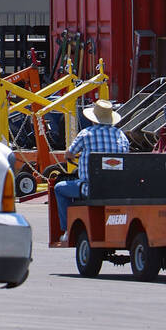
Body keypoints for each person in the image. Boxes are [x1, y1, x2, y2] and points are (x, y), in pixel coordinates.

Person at [54, 98, 131, 238]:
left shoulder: (86, 133)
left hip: (90, 188)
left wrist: (70, 157)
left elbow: (69, 153)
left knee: (59, 188)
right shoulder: (121, 135)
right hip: (117, 189)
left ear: (93, 119)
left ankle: (67, 230)